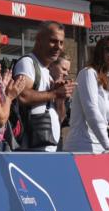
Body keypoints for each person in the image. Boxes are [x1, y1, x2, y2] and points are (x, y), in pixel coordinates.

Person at [63, 37, 109, 165]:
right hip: (81, 147)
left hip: (100, 148)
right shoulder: (88, 74)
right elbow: (91, 110)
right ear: (100, 52)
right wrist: (108, 144)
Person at [12, 21, 72, 151]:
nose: (58, 47)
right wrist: (54, 93)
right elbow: (22, 96)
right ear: (39, 40)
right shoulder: (28, 63)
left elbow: (60, 118)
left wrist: (60, 98)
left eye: (61, 42)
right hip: (30, 148)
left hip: (49, 147)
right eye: (53, 41)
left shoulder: (47, 71)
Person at [48, 52, 73, 132]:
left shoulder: (64, 89)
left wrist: (61, 99)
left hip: (56, 137)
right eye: (63, 69)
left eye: (68, 71)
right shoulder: (40, 82)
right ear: (51, 65)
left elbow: (60, 120)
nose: (66, 74)